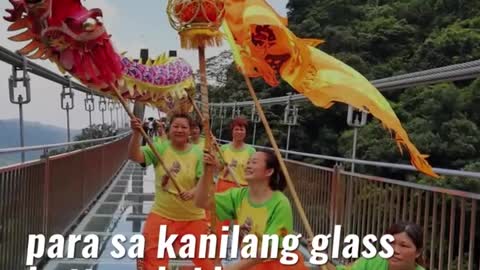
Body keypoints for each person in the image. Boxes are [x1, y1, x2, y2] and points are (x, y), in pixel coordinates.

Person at [128, 113, 214, 270]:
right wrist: (135, 134)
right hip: (162, 215)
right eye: (176, 126)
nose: (179, 130)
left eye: (184, 127)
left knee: (205, 262)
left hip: (192, 217)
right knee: (150, 260)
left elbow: (206, 182)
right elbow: (135, 156)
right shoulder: (159, 147)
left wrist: (193, 192)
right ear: (169, 129)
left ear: (190, 131)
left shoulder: (198, 154)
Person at [196, 150, 307, 270]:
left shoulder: (280, 203)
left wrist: (232, 268)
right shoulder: (238, 196)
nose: (248, 165)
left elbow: (270, 248)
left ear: (269, 171)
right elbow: (201, 201)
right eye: (248, 162)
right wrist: (207, 172)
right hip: (252, 264)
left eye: (254, 162)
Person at [336, 221, 426, 270]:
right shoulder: (372, 260)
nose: (394, 250)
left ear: (417, 252)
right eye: (390, 243)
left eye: (403, 246)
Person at [217, 117, 256, 192]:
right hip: (223, 186)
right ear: (232, 131)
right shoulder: (223, 148)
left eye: (242, 130)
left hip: (241, 188)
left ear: (245, 132)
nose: (239, 132)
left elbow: (252, 172)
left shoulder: (251, 151)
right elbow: (219, 168)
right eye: (236, 129)